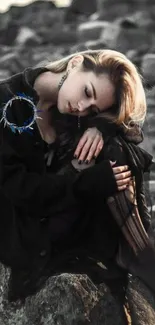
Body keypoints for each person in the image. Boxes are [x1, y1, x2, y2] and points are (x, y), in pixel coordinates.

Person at [0, 49, 153, 301]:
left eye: (92, 109)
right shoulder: (6, 101)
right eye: (87, 92)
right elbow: (20, 190)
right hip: (20, 222)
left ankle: (135, 242)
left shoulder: (75, 110)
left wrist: (100, 126)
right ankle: (135, 249)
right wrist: (85, 184)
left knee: (116, 147)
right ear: (75, 63)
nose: (80, 108)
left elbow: (132, 130)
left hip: (57, 205)